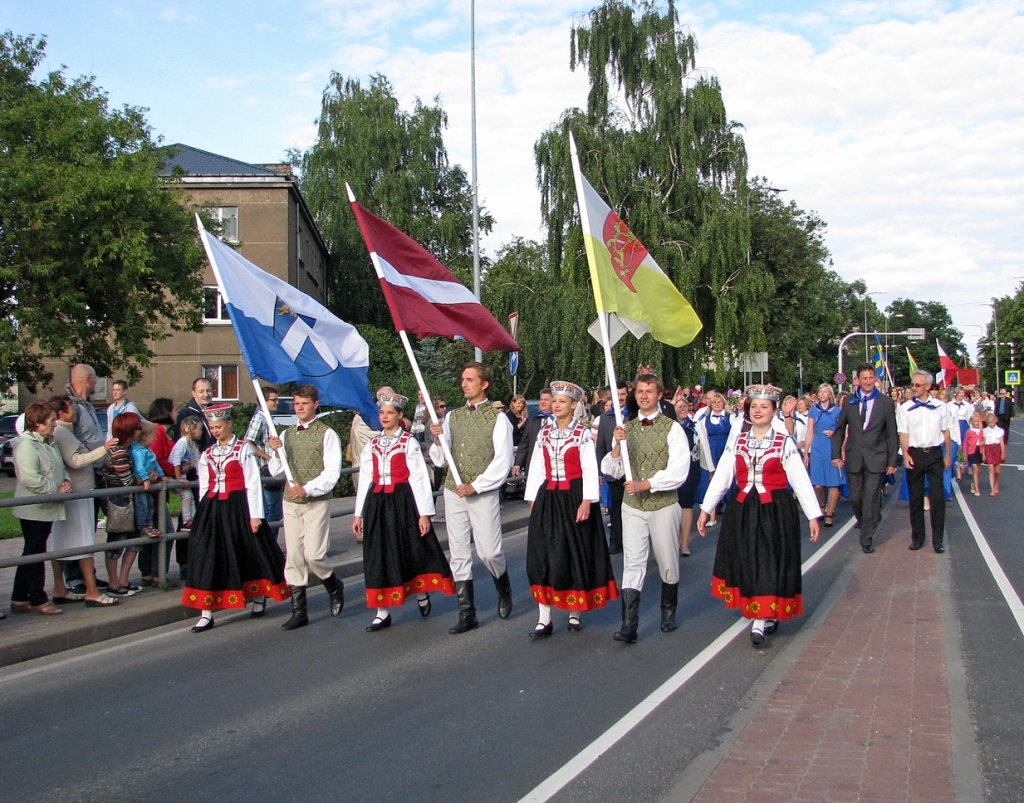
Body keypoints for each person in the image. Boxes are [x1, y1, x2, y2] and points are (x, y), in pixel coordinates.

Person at [698, 384, 822, 646]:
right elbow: (723, 475)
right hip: (743, 509)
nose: (758, 411)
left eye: (764, 406)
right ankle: (762, 610)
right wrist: (706, 508)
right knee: (747, 559)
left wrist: (813, 515)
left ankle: (760, 619)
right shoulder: (739, 440)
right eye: (753, 406)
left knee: (769, 559)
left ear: (774, 411)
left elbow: (799, 479)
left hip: (774, 509)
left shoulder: (783, 442)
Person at [183, 404, 291, 632]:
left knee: (247, 550)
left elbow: (252, 483)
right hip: (212, 508)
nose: (215, 431)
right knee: (208, 554)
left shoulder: (243, 449)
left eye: (219, 426)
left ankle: (259, 596)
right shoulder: (208, 453)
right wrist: (202, 512)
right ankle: (206, 611)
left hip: (238, 506)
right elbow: (204, 484)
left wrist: (256, 516)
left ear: (229, 424)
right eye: (212, 427)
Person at [352, 392, 454, 631]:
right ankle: (382, 610)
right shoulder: (372, 444)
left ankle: (420, 591)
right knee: (379, 553)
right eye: (382, 413)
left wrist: (424, 514)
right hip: (378, 503)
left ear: (400, 416)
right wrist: (358, 514)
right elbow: (366, 478)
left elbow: (419, 477)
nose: (385, 417)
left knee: (410, 547)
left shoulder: (408, 442)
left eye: (390, 413)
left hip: (403, 501)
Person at [523, 381, 618, 637]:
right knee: (543, 554)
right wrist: (533, 498)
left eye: (562, 401)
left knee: (572, 552)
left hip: (574, 497)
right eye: (554, 401)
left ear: (574, 405)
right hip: (549, 498)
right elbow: (537, 467)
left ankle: (574, 612)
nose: (556, 405)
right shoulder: (544, 432)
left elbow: (589, 468)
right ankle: (544, 617)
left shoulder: (582, 433)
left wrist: (588, 500)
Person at [601, 373, 690, 643]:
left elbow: (679, 470)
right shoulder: (626, 428)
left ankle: (668, 612)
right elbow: (610, 470)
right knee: (633, 561)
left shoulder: (672, 428)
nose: (643, 395)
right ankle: (629, 624)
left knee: (667, 560)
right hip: (632, 507)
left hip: (663, 504)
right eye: (639, 391)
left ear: (659, 394)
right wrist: (618, 445)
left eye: (649, 391)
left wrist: (647, 484)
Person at [429, 362, 515, 634]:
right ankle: (467, 612)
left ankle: (503, 587)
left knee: (489, 551)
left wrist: (477, 486)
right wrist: (437, 441)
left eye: (469, 379)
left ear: (484, 384)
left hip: (482, 493)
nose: (464, 384)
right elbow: (442, 460)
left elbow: (503, 461)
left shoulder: (498, 418)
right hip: (454, 491)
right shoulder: (452, 417)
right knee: (458, 551)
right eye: (462, 379)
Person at [267, 385, 347, 630]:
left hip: (315, 502)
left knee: (313, 555)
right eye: (296, 403)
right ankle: (299, 611)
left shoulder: (327, 434)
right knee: (293, 556)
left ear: (315, 404)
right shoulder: (286, 435)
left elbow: (332, 473)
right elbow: (275, 471)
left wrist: (308, 488)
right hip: (291, 503)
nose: (300, 407)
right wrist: (276, 453)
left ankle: (333, 584)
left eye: (304, 403)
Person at [48, 396, 119, 607]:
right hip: (78, 492)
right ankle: (91, 590)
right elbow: (76, 460)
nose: (76, 413)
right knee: (84, 541)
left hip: (73, 492)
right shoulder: (61, 431)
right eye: (72, 409)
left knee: (60, 543)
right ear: (61, 412)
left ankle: (60, 587)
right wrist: (104, 449)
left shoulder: (62, 431)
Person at [10, 401, 73, 615]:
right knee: (35, 552)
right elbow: (31, 479)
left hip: (46, 507)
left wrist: (65, 481)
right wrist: (55, 489)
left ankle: (19, 598)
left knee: (32, 550)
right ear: (37, 423)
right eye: (51, 420)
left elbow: (59, 466)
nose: (55, 424)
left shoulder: (48, 442)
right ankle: (37, 598)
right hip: (34, 508)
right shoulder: (26, 444)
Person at [831, 364, 898, 554]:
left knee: (870, 497)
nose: (868, 382)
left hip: (877, 457)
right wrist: (836, 454)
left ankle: (866, 537)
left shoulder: (885, 402)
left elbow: (891, 433)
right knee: (856, 498)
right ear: (858, 380)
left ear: (875, 379)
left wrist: (892, 461)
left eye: (871, 378)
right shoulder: (850, 401)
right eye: (864, 378)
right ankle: (867, 517)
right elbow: (840, 430)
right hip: (854, 457)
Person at [897, 370, 952, 553]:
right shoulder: (904, 408)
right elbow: (903, 433)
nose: (913, 388)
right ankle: (918, 537)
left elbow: (946, 432)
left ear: (928, 386)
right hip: (915, 453)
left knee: (937, 497)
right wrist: (905, 454)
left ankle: (938, 540)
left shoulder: (940, 407)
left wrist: (948, 455)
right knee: (915, 498)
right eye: (912, 384)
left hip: (934, 454)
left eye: (917, 385)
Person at [102, 412, 145, 596]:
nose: (140, 431)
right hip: (118, 501)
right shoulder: (118, 451)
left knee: (134, 540)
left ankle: (124, 579)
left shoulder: (127, 449)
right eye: (138, 428)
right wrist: (144, 479)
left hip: (127, 500)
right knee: (117, 541)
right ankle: (114, 582)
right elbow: (127, 481)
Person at [138, 398, 179, 587]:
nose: (176, 413)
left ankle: (149, 572)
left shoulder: (161, 432)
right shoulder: (158, 432)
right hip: (152, 493)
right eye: (174, 410)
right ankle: (156, 573)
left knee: (154, 532)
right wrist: (176, 470)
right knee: (164, 531)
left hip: (155, 490)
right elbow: (157, 459)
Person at [595, 381, 632, 555]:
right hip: (614, 471)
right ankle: (616, 541)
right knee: (616, 508)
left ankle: (634, 542)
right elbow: (601, 445)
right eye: (617, 395)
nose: (620, 397)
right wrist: (599, 472)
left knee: (633, 509)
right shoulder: (605, 418)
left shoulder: (634, 415)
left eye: (623, 394)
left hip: (633, 471)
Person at [243, 387, 284, 536]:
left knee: (274, 511)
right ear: (263, 401)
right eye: (274, 400)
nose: (277, 402)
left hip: (272, 469)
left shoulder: (267, 418)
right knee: (271, 511)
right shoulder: (259, 418)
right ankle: (270, 548)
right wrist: (268, 457)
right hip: (265, 470)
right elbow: (247, 442)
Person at [804, 384, 845, 527]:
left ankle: (829, 514)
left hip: (832, 449)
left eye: (825, 391)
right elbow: (809, 432)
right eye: (820, 391)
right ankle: (822, 504)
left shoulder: (838, 411)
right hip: (817, 449)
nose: (822, 394)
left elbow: (844, 431)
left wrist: (834, 434)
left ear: (830, 395)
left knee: (833, 485)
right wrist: (806, 453)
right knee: (818, 485)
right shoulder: (813, 412)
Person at [695, 391, 732, 529]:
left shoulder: (730, 417)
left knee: (728, 480)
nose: (717, 404)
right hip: (710, 452)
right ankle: (712, 515)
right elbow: (701, 436)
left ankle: (730, 510)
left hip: (725, 451)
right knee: (710, 482)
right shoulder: (704, 418)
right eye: (714, 402)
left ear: (724, 404)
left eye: (719, 402)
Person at [673, 395, 704, 559]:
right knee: (674, 506)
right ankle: (677, 538)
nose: (683, 409)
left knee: (686, 505)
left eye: (685, 406)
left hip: (691, 470)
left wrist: (710, 470)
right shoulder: (670, 426)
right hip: (673, 470)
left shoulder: (695, 426)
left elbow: (703, 447)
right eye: (679, 406)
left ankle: (685, 543)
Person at [130, 421, 165, 538]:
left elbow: (155, 463)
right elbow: (139, 467)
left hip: (148, 483)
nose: (155, 439)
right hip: (142, 484)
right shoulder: (137, 452)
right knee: (142, 504)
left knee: (149, 503)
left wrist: (161, 475)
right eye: (153, 436)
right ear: (145, 437)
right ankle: (143, 525)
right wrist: (145, 479)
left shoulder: (147, 450)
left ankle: (149, 524)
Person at [512, 388, 553, 477]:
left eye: (546, 400)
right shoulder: (533, 419)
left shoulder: (559, 419)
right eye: (541, 399)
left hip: (552, 468)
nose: (542, 402)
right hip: (534, 466)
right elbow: (524, 442)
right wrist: (517, 464)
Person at [170, 417, 202, 529]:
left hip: (183, 475)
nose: (201, 432)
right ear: (193, 430)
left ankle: (192, 519)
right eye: (199, 429)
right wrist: (178, 478)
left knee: (191, 497)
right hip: (173, 476)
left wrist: (199, 475)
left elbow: (197, 460)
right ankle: (186, 521)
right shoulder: (182, 443)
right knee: (186, 494)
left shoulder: (192, 445)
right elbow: (176, 460)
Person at [982, 412, 1006, 496]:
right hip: (989, 449)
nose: (991, 424)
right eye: (989, 423)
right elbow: (983, 443)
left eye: (992, 422)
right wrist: (983, 454)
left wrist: (1003, 453)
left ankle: (996, 484)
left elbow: (1002, 442)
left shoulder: (999, 430)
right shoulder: (985, 431)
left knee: (997, 471)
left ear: (995, 421)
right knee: (991, 469)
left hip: (997, 449)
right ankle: (992, 489)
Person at [964, 412, 985, 496]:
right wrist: (965, 455)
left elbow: (983, 440)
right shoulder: (969, 432)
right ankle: (977, 489)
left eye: (977, 421)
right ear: (971, 422)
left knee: (978, 470)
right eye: (975, 421)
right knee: (975, 469)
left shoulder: (980, 431)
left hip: (979, 451)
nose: (977, 423)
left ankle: (973, 484)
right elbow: (965, 444)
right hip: (972, 451)